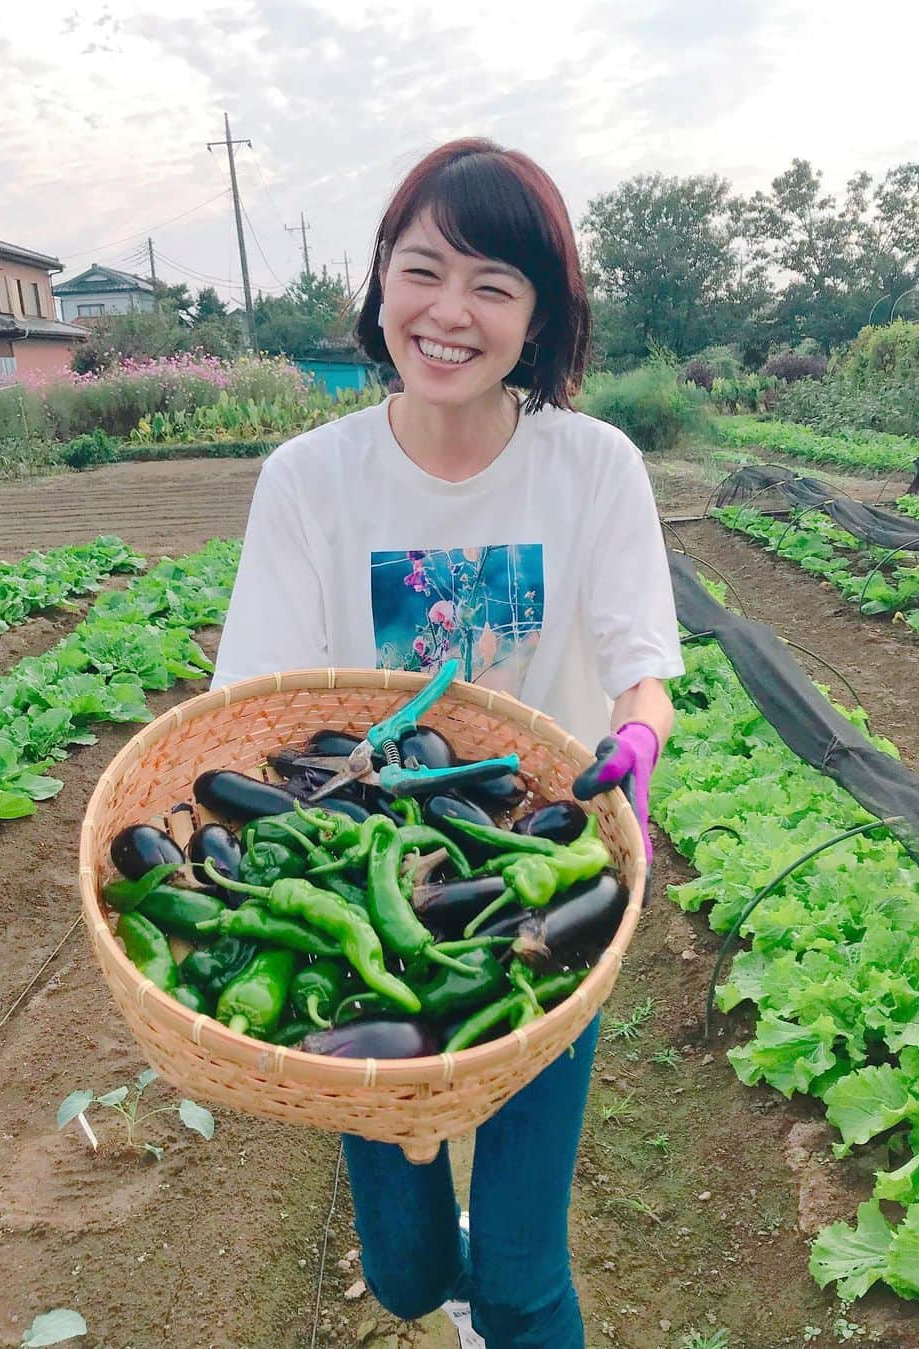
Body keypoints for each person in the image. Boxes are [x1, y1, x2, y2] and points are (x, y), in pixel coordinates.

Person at [211, 137, 682, 1349]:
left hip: (541, 880)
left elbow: (644, 668)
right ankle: (443, 1290)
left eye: (494, 283)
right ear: (379, 283)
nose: (450, 311)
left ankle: (506, 1306)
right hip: (370, 882)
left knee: (524, 1278)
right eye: (424, 269)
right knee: (414, 1269)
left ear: (541, 315)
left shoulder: (592, 466)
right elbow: (256, 707)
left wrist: (634, 738)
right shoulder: (312, 479)